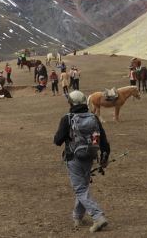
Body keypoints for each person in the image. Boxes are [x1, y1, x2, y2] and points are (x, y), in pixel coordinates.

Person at [54, 91, 110, 233]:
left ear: (71, 103)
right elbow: (103, 139)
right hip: (90, 156)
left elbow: (57, 141)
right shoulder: (94, 118)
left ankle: (98, 217)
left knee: (79, 188)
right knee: (83, 186)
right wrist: (105, 156)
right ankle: (77, 216)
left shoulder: (67, 118)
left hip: (74, 158)